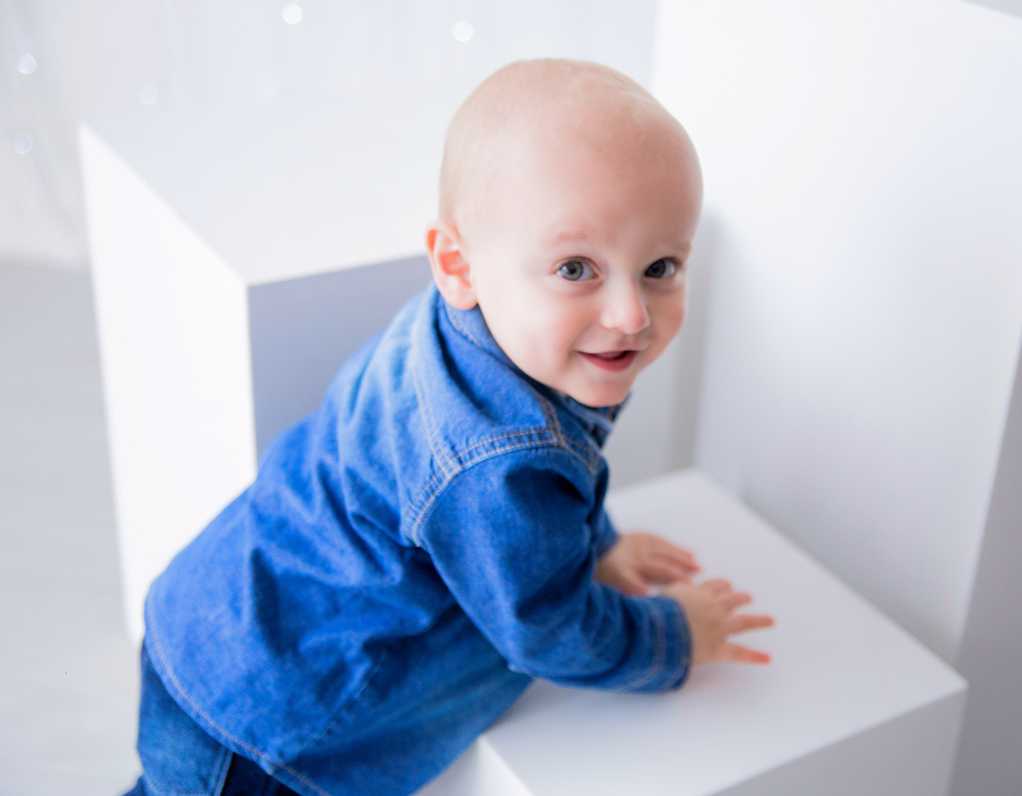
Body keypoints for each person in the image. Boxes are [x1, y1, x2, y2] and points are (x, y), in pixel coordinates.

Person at [125, 59, 773, 796]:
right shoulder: (496, 462)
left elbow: (542, 507)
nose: (630, 314)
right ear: (457, 263)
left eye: (661, 265)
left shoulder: (469, 323)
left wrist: (598, 544)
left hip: (211, 625)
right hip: (263, 730)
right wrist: (670, 637)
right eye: (575, 268)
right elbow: (548, 630)